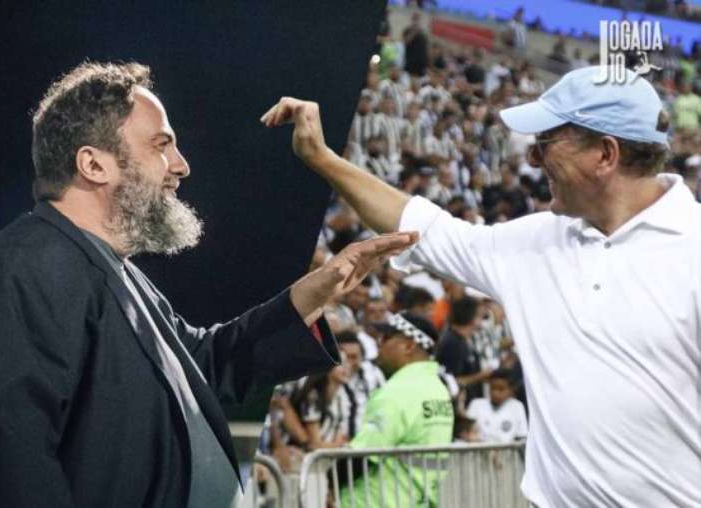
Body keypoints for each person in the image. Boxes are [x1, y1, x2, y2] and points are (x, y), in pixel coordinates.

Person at [0, 62, 419, 508]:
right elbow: (11, 469)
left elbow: (202, 365)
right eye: (161, 145)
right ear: (93, 164)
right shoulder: (25, 267)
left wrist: (315, 292)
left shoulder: (113, 270)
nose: (181, 165)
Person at [261, 65, 701, 506]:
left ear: (605, 154)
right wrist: (321, 158)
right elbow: (423, 228)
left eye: (546, 143)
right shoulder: (535, 242)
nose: (532, 160)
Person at [338, 313, 454, 508]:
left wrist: (330, 480)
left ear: (408, 346)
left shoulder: (399, 391)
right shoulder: (438, 389)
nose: (379, 344)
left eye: (385, 338)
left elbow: (363, 454)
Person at [466, 370, 528, 443]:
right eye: (493, 388)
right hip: (480, 448)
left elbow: (521, 436)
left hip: (507, 449)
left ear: (511, 390)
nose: (495, 393)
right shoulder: (476, 404)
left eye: (501, 389)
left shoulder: (517, 406)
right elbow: (467, 433)